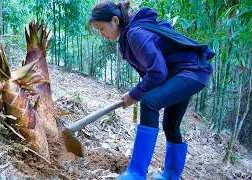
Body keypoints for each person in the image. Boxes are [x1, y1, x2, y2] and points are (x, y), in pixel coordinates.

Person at [89, 1, 215, 180]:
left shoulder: (135, 34)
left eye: (101, 28)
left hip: (191, 71)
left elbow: (157, 72)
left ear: (115, 20)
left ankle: (136, 173)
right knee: (170, 125)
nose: (101, 34)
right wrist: (135, 93)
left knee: (149, 102)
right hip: (183, 73)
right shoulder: (131, 32)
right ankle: (171, 175)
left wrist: (134, 95)